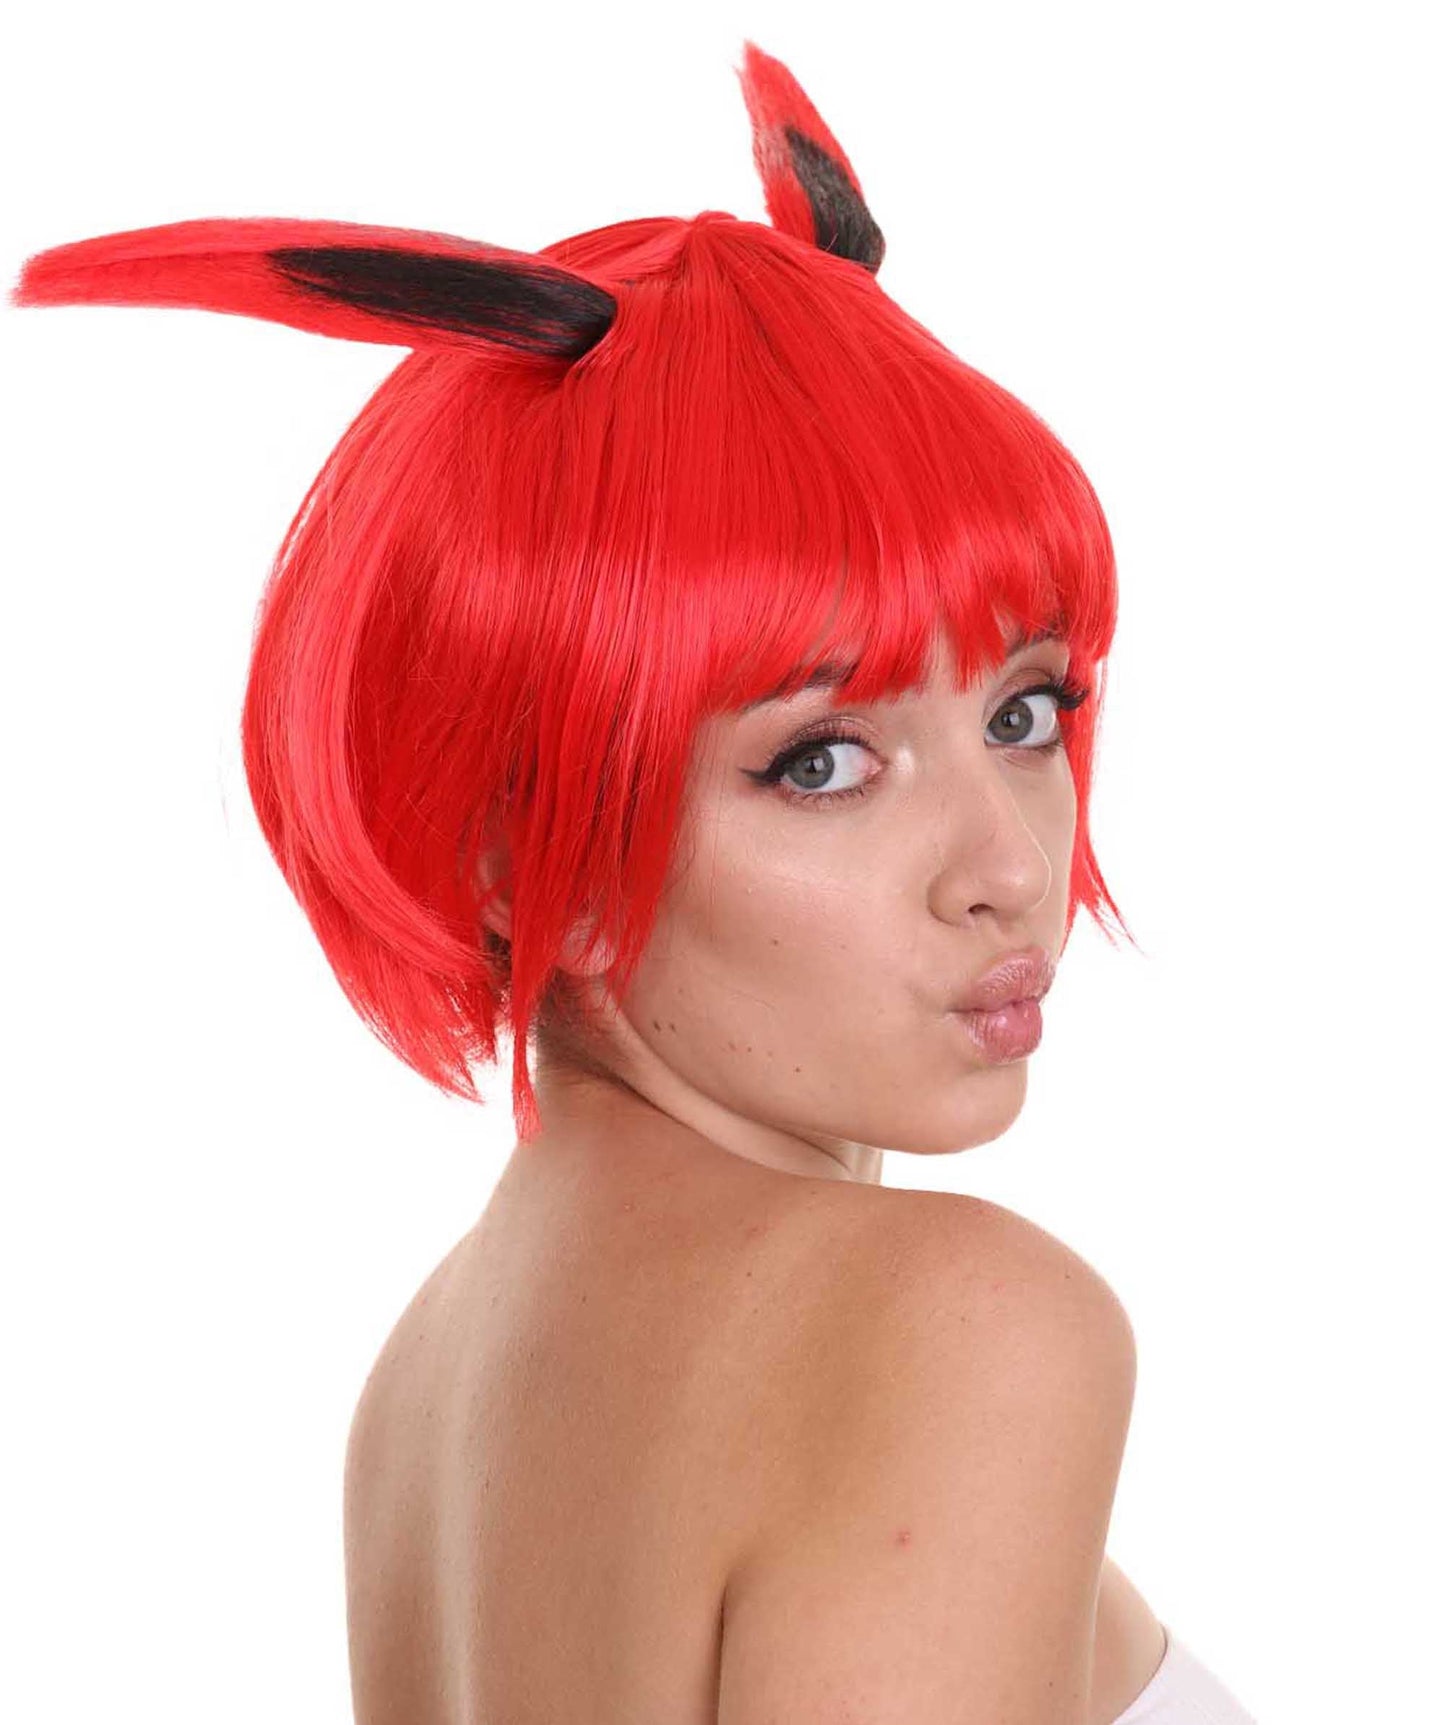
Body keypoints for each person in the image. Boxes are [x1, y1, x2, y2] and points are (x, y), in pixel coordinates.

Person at [10, 38, 1259, 1725]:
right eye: (819, 759)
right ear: (521, 847)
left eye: (1022, 711)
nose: (1008, 864)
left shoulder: (431, 1383)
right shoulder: (959, 1325)